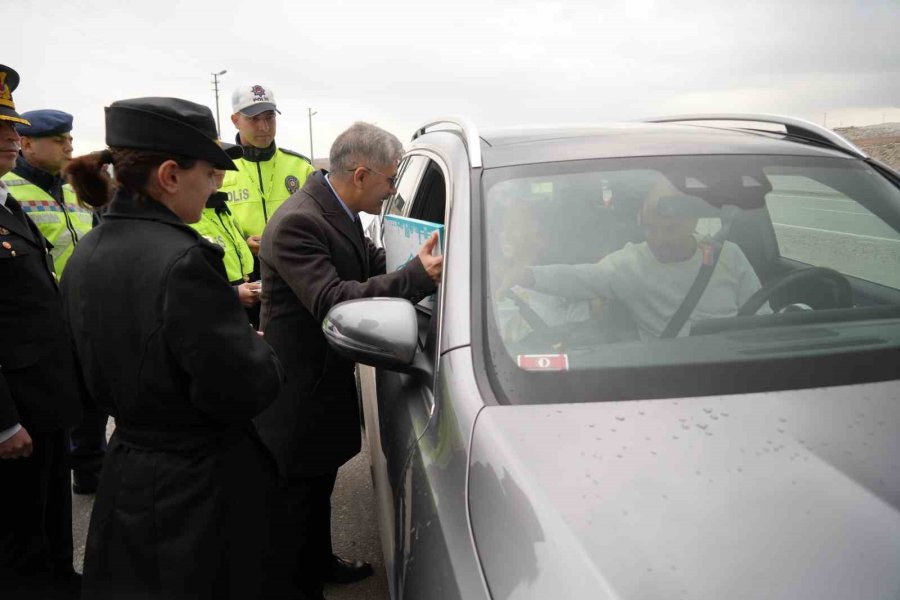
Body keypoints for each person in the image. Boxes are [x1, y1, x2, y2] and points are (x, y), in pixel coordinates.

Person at [60, 97, 287, 600]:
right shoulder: (185, 261)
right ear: (169, 175)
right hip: (198, 487)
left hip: (127, 474)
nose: (215, 186)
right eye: (209, 173)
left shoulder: (86, 252)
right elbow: (245, 387)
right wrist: (258, 351)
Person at [255, 121, 443, 599]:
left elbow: (369, 263)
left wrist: (416, 262)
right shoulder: (299, 222)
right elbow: (333, 300)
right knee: (296, 501)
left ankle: (320, 562)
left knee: (318, 487)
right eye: (389, 179)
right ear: (361, 175)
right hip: (297, 392)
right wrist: (416, 278)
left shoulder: (339, 210)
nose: (391, 190)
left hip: (322, 382)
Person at [0, 65, 84, 599]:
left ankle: (61, 580)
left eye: (11, 126)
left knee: (49, 511)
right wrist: (3, 422)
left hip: (44, 397)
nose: (11, 136)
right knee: (18, 531)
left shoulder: (9, 204)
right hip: (14, 408)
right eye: (1, 129)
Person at [1, 108, 108, 495]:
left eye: (70, 139)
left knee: (91, 402)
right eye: (59, 140)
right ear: (28, 144)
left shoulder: (74, 187)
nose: (69, 146)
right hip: (40, 327)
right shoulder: (9, 189)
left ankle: (91, 473)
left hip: (85, 316)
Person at [508, 177, 765, 339]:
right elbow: (577, 277)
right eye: (649, 229)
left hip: (733, 366)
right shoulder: (630, 264)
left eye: (669, 229)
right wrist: (524, 275)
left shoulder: (729, 256)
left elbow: (763, 320)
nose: (658, 239)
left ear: (692, 221)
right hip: (671, 376)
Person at [190, 142, 260, 308]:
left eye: (223, 161)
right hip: (218, 307)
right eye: (213, 162)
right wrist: (232, 294)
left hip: (246, 301)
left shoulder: (222, 205)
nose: (220, 169)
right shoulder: (186, 213)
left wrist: (247, 244)